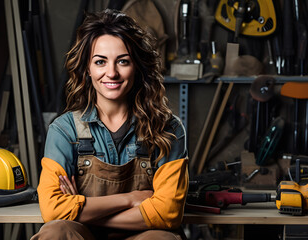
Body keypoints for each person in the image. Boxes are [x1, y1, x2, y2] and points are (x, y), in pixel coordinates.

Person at [31, 9, 189, 240]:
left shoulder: (167, 129)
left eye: (123, 61)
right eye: (100, 62)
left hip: (145, 235)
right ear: (87, 68)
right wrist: (132, 198)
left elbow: (167, 213)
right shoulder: (64, 130)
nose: (111, 73)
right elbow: (54, 210)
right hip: (84, 235)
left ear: (137, 66)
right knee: (56, 231)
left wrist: (81, 209)